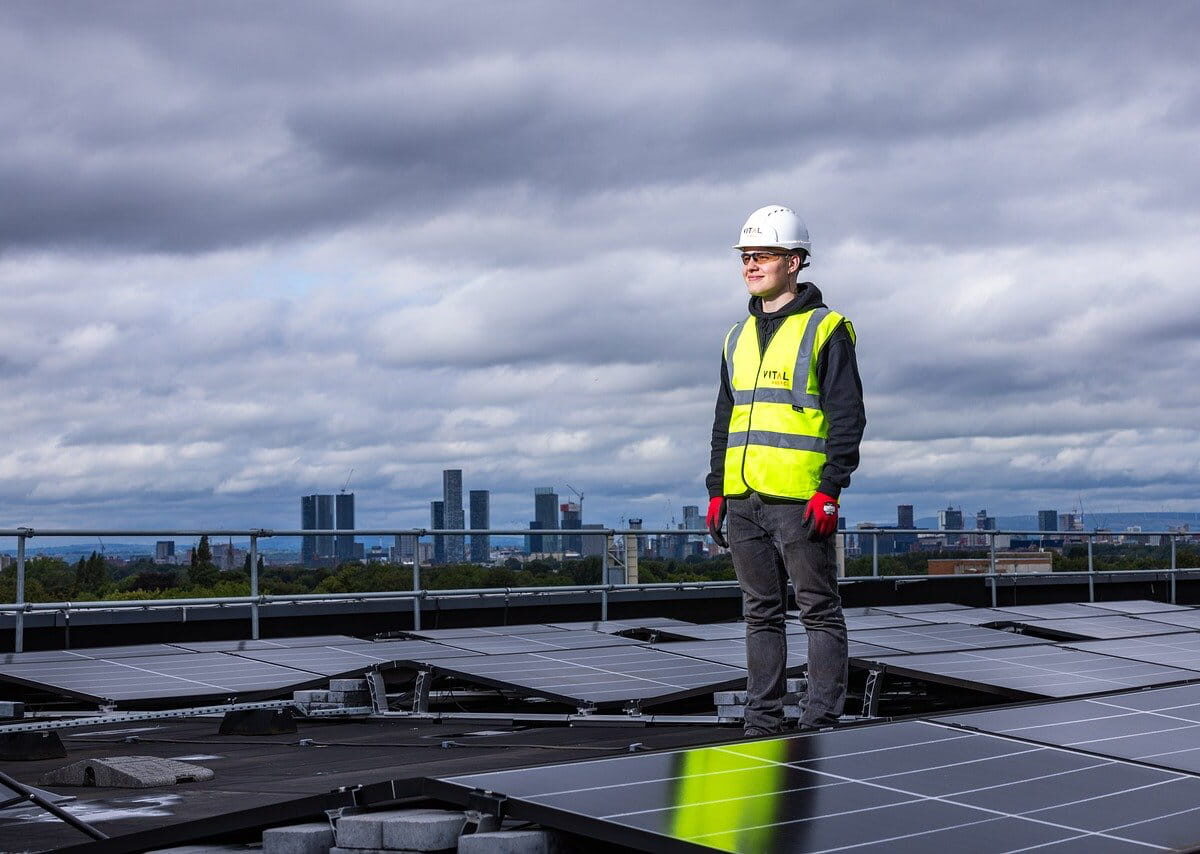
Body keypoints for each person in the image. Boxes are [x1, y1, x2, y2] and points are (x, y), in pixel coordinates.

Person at [706, 205, 866, 735]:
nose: (751, 266)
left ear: (794, 262)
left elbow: (848, 415)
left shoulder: (827, 329)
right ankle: (762, 722)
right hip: (743, 499)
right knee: (760, 614)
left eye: (764, 256)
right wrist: (716, 489)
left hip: (800, 500)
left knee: (818, 610)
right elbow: (725, 418)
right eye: (746, 257)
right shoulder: (736, 337)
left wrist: (830, 488)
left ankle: (820, 722)